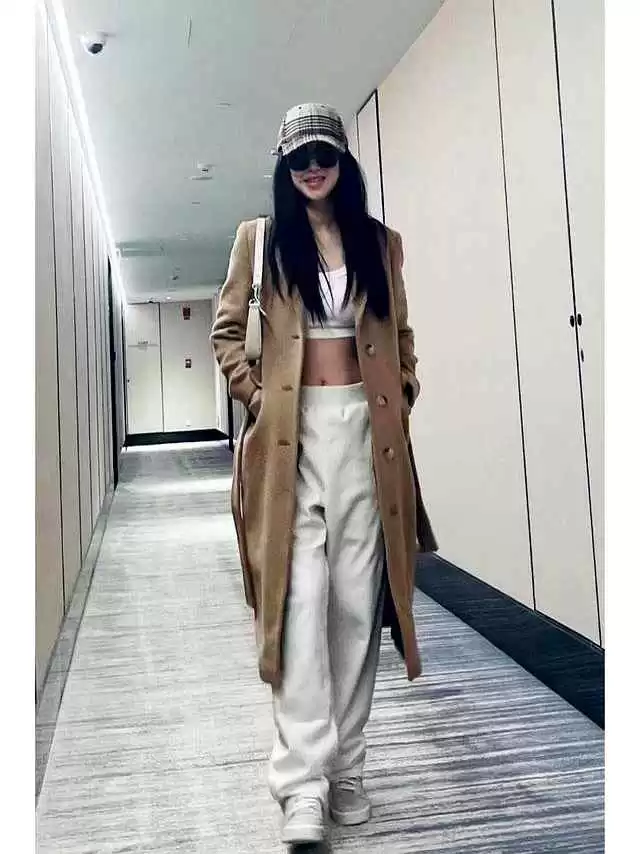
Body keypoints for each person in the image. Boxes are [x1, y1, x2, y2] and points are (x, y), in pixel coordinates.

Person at [212, 102, 436, 846]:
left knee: (354, 610)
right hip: (290, 441)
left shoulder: (380, 243)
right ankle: (301, 784)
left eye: (325, 155)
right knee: (299, 604)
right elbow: (226, 330)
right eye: (299, 157)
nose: (313, 168)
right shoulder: (261, 240)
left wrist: (403, 390)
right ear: (284, 166)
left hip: (369, 441)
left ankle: (348, 770)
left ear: (343, 163)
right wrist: (256, 398)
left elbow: (401, 335)